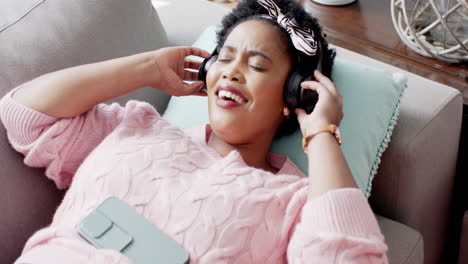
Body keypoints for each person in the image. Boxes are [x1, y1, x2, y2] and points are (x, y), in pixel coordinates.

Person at [0, 0, 388, 263]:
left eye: (256, 65)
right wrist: (149, 66)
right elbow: (24, 115)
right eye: (225, 57)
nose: (232, 71)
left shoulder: (297, 200)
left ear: (294, 94)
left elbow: (350, 257)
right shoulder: (137, 127)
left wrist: (321, 133)